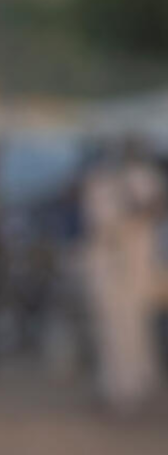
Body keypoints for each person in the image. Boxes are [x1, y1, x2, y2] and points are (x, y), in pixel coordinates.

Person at [82, 136, 166, 414]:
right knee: (114, 333)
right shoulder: (100, 183)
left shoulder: (143, 179)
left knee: (137, 331)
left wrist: (141, 207)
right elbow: (102, 223)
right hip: (110, 269)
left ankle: (138, 388)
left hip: (136, 269)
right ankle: (118, 392)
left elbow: (154, 209)